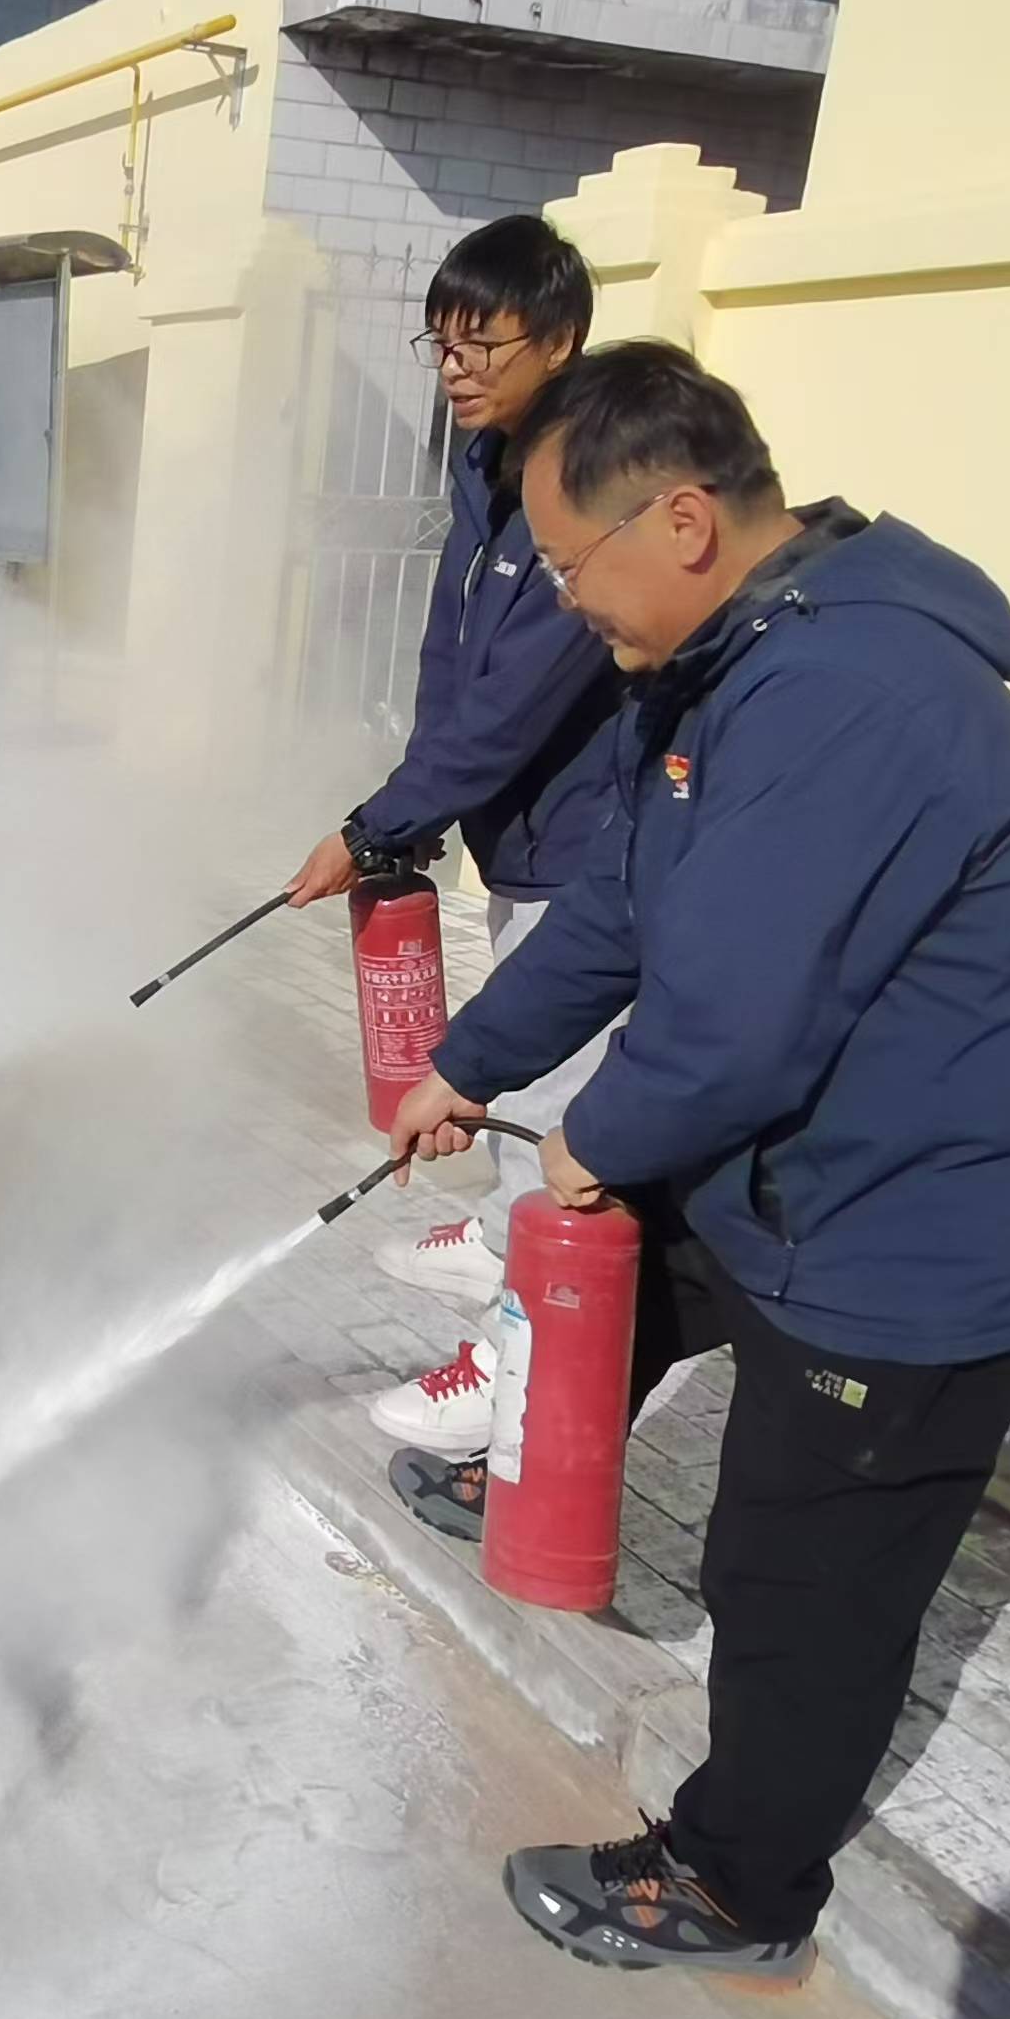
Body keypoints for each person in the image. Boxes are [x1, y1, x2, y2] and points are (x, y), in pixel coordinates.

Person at [383, 340, 1010, 1982]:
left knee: (794, 1578)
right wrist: (468, 1064)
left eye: (570, 563)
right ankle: (535, 1467)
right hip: (807, 1170)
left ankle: (738, 1884)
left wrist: (588, 1139)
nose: (563, 598)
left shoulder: (847, 695)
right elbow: (622, 910)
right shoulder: (727, 666)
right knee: (626, 1266)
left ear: (683, 521)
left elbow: (732, 1027)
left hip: (916, 1240)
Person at [276, 216, 622, 1468]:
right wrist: (414, 819)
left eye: (484, 344)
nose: (456, 369)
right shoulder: (486, 465)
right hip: (518, 841)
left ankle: (515, 1371)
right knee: (524, 1077)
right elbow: (452, 665)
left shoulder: (586, 488)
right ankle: (499, 1247)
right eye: (441, 344)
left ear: (561, 340)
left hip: (592, 852)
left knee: (565, 1115)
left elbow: (520, 699)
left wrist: (374, 824)